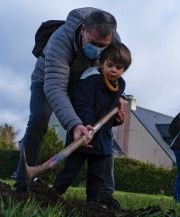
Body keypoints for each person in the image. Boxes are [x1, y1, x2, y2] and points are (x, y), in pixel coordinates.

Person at [14, 7, 125, 200]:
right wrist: (74, 124)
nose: (98, 50)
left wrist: (117, 97)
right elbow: (55, 88)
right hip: (48, 80)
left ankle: (104, 194)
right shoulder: (60, 40)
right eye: (93, 43)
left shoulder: (114, 42)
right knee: (39, 117)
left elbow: (113, 72)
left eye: (103, 46)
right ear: (83, 29)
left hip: (83, 84)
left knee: (102, 125)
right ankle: (23, 182)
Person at [52, 42, 131, 209]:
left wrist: (117, 119)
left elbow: (110, 115)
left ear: (124, 70)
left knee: (97, 176)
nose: (113, 70)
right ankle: (53, 196)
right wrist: (86, 124)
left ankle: (92, 206)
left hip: (102, 139)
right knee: (70, 170)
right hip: (83, 135)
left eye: (119, 67)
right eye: (109, 65)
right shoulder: (90, 80)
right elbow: (82, 104)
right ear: (101, 62)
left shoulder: (119, 87)